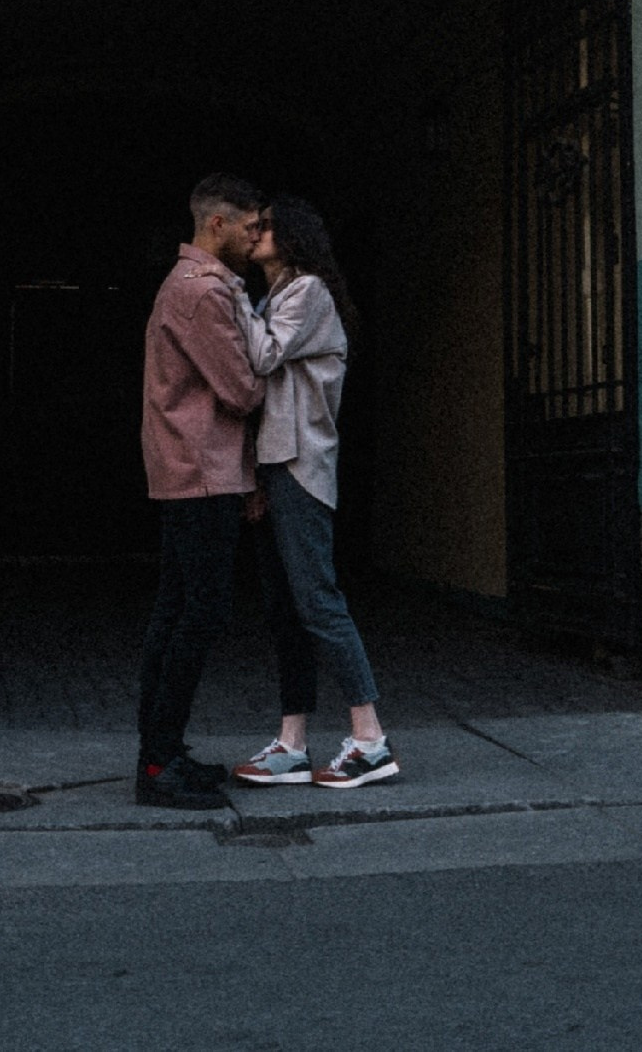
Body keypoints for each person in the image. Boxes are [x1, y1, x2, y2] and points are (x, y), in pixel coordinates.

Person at [230, 196, 396, 790]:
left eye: (267, 225)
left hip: (300, 466)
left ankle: (370, 739)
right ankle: (293, 743)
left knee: (318, 601)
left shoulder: (307, 292)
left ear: (294, 237)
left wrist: (227, 292)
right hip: (275, 466)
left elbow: (263, 355)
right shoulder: (275, 298)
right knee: (286, 609)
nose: (256, 232)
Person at [134, 173, 269, 810]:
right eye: (249, 227)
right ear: (217, 224)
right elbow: (241, 389)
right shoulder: (202, 293)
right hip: (201, 473)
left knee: (176, 614)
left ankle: (162, 751)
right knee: (199, 616)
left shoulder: (190, 286)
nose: (256, 237)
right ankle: (159, 764)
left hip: (193, 471)